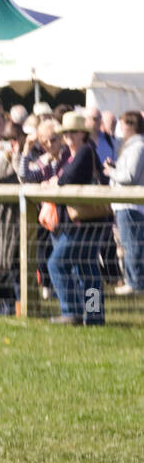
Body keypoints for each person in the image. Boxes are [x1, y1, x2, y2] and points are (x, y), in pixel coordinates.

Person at [44, 112, 111, 325]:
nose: (69, 136)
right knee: (87, 267)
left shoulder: (84, 151)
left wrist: (56, 179)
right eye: (66, 133)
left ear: (83, 133)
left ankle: (70, 311)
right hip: (89, 221)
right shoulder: (74, 153)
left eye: (73, 132)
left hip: (85, 223)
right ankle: (94, 315)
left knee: (57, 263)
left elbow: (68, 178)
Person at [105, 110, 144, 294]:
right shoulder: (132, 147)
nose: (120, 129)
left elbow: (130, 176)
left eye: (122, 124)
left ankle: (135, 283)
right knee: (129, 244)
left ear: (131, 125)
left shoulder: (138, 147)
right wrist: (115, 167)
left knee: (132, 244)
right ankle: (133, 281)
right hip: (126, 205)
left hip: (130, 205)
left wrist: (111, 172)